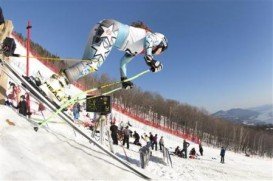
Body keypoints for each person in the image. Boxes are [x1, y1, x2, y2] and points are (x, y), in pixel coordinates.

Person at [41, 20, 168, 102]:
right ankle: (56, 83)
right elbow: (149, 40)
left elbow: (123, 63)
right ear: (161, 45)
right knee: (94, 64)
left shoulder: (137, 51)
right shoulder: (157, 37)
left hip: (104, 28)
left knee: (87, 62)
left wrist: (124, 78)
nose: (160, 54)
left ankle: (57, 81)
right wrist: (150, 59)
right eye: (161, 51)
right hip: (111, 30)